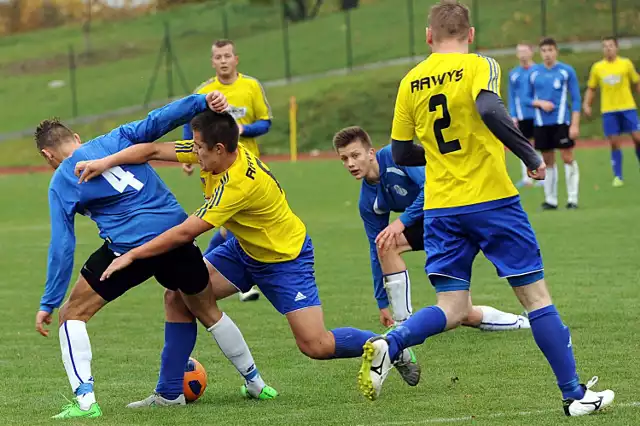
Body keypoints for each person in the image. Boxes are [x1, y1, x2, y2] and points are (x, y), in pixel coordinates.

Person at [356, 1, 614, 417]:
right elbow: (490, 109)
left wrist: (442, 158)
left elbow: (401, 152)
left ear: (428, 37)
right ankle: (573, 394)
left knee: (453, 308)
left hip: (441, 209)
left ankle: (394, 342)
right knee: (535, 298)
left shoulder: (410, 82)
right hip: (492, 201)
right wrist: (531, 157)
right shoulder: (481, 65)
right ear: (470, 35)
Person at [74, 110, 422, 404]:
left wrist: (131, 255)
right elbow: (150, 150)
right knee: (180, 297)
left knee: (315, 345)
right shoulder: (213, 154)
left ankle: (393, 345)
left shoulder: (237, 184)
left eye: (199, 148)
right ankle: (168, 395)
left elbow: (185, 232)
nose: (194, 154)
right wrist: (106, 161)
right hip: (244, 250)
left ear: (220, 149)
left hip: (286, 259)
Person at [35, 93, 275, 419]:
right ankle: (256, 382)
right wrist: (202, 100)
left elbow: (62, 245)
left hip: (129, 251)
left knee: (71, 314)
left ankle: (86, 403)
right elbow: (159, 119)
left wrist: (49, 301)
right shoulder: (116, 138)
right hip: (177, 236)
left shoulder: (61, 180)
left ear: (48, 155)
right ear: (77, 138)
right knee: (206, 309)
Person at [332, 126, 530, 331]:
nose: (351, 164)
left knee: (462, 312)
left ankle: (526, 318)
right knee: (385, 244)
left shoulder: (395, 156)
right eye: (344, 159)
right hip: (432, 222)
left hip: (457, 212)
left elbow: (430, 187)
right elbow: (375, 250)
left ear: (371, 153)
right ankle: (403, 327)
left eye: (355, 155)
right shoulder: (367, 201)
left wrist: (402, 221)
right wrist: (382, 302)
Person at [182, 39, 272, 302]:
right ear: (212, 61)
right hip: (215, 171)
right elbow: (192, 124)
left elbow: (265, 122)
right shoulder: (205, 91)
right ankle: (228, 276)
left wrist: (246, 130)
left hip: (248, 171)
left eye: (227, 56)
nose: (222, 61)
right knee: (227, 223)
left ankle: (204, 269)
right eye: (218, 57)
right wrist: (189, 155)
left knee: (230, 224)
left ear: (236, 59)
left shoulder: (251, 86)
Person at [527, 38, 582, 210]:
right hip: (542, 123)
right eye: (544, 51)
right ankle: (551, 199)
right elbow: (525, 98)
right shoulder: (534, 73)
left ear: (556, 51)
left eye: (550, 50)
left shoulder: (566, 71)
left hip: (562, 122)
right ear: (540, 53)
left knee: (567, 157)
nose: (547, 54)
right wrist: (540, 103)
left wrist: (574, 124)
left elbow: (576, 99)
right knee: (547, 160)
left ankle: (572, 198)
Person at [583, 36, 640, 187]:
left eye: (611, 46)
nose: (608, 48)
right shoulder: (598, 67)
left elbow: (636, 82)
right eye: (605, 46)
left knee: (637, 138)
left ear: (616, 48)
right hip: (609, 110)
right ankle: (618, 176)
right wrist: (587, 104)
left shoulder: (625, 64)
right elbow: (592, 88)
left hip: (628, 107)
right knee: (614, 142)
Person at [508, 42, 542, 188]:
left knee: (540, 145)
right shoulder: (514, 74)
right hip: (522, 115)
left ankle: (543, 176)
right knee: (523, 145)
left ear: (531, 52)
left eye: (524, 51)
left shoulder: (539, 71)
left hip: (538, 115)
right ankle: (527, 177)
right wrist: (513, 115)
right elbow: (512, 96)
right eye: (519, 51)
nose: (522, 54)